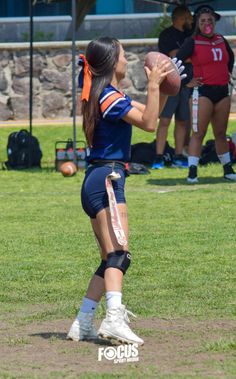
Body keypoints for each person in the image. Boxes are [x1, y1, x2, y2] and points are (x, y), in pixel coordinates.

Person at [67, 37, 183, 345]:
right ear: (110, 64)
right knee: (120, 254)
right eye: (122, 55)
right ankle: (114, 319)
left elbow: (151, 113)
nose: (126, 60)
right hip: (107, 177)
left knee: (109, 259)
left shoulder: (108, 94)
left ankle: (83, 322)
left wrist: (169, 86)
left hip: (100, 177)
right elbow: (148, 124)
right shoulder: (108, 97)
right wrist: (156, 84)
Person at [177, 4, 236, 183]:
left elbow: (230, 59)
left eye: (210, 20)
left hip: (222, 92)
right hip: (202, 93)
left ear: (215, 21)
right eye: (203, 21)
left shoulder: (221, 39)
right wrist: (187, 82)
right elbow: (176, 63)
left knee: (220, 132)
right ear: (197, 23)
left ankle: (227, 169)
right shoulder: (192, 41)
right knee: (198, 133)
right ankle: (192, 172)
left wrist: (225, 75)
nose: (207, 23)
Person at [152, 5, 198, 169]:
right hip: (170, 85)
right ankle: (159, 156)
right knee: (164, 121)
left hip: (187, 85)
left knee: (182, 121)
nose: (191, 21)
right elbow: (175, 55)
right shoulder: (167, 35)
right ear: (180, 18)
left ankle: (178, 156)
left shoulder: (190, 35)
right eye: (189, 17)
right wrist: (191, 55)